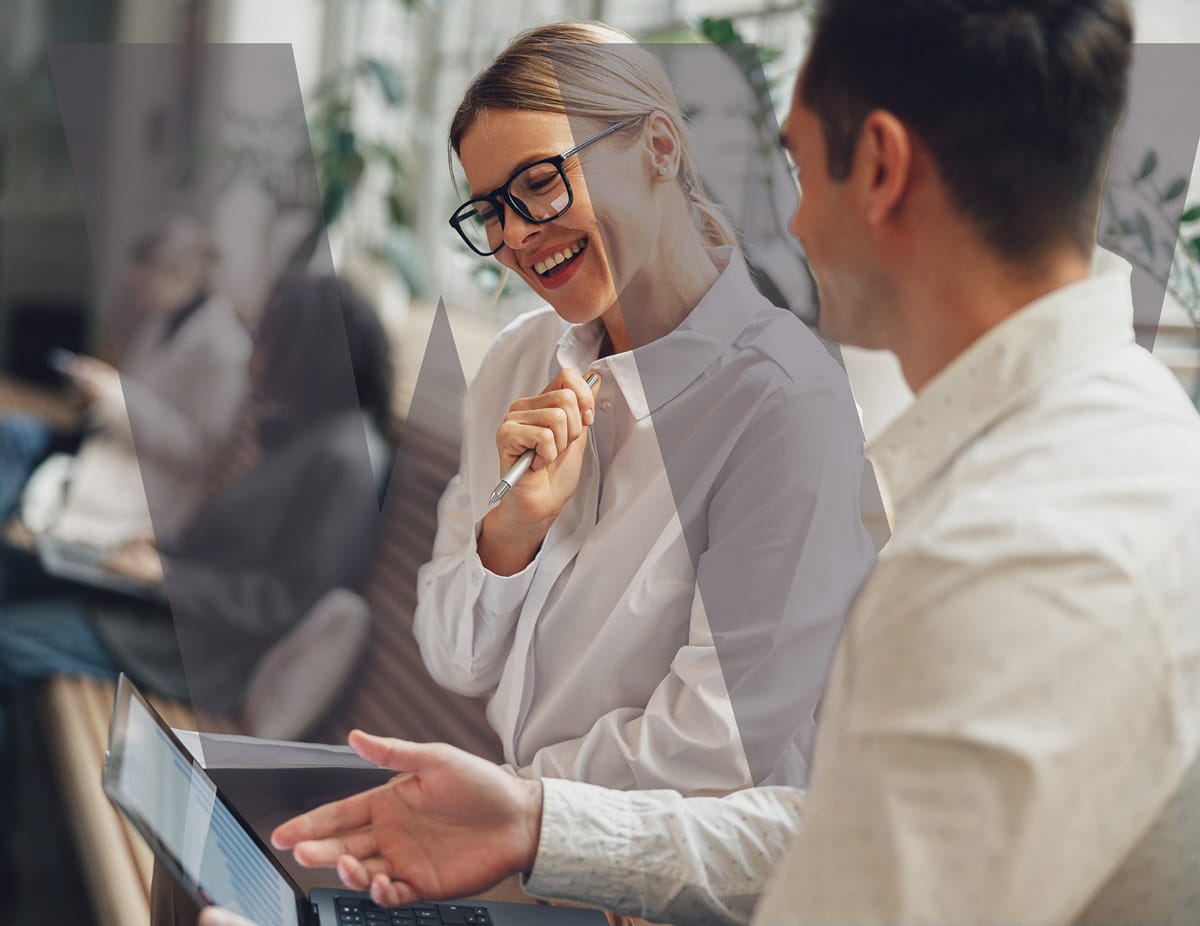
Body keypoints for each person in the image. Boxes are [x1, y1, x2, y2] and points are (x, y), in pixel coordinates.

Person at [198, 2, 1200, 925]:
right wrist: (541, 824)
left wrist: (542, 823)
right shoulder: (1090, 445)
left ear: (884, 168)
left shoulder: (1016, 541)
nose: (792, 227)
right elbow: (841, 828)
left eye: (800, 168)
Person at [412, 21, 876, 795]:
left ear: (660, 148)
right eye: (491, 210)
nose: (518, 236)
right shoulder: (517, 364)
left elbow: (713, 743)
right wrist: (510, 534)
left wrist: (510, 807)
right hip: (534, 845)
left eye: (539, 182)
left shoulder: (786, 407)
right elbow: (454, 657)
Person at [0, 272, 394, 783]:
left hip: (198, 652)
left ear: (304, 351)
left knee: (9, 640)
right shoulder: (313, 433)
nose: (253, 354)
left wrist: (164, 574)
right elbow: (243, 541)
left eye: (265, 337)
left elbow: (287, 601)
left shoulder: (348, 458)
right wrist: (165, 547)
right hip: (171, 610)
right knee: (12, 569)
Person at [0, 216, 251, 551]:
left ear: (184, 276)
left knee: (18, 444)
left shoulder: (225, 347)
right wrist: (97, 395)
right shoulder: (161, 323)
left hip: (150, 483)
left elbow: (198, 450)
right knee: (15, 432)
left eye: (145, 286)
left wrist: (114, 395)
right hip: (112, 445)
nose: (137, 297)